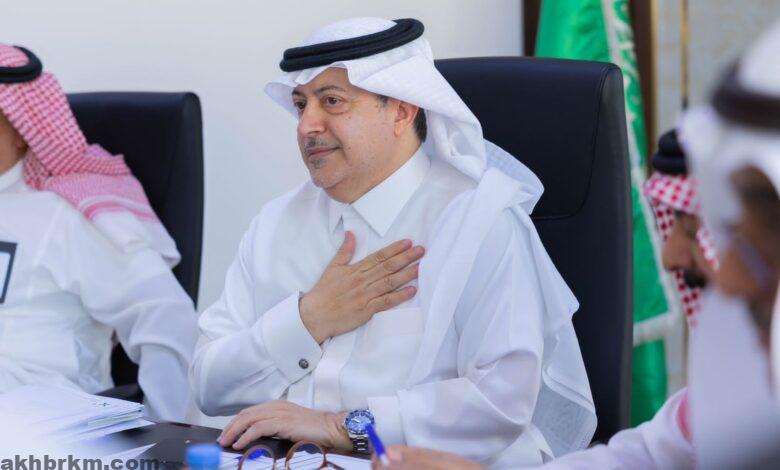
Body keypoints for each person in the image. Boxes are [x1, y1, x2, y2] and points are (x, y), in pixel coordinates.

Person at [191, 17, 595, 467]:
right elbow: (207, 383)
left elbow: (501, 402)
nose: (306, 125)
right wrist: (309, 319)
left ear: (402, 111)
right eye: (301, 104)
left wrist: (341, 427)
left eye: (332, 101)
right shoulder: (275, 223)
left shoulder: (480, 220)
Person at [372, 129, 715, 469]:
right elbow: (643, 456)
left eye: (691, 230)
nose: (670, 257)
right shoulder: (719, 392)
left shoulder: (483, 221)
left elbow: (501, 399)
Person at [0, 44, 198, 422]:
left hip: (39, 420)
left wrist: (166, 433)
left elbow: (167, 318)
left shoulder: (67, 212)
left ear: (22, 128)